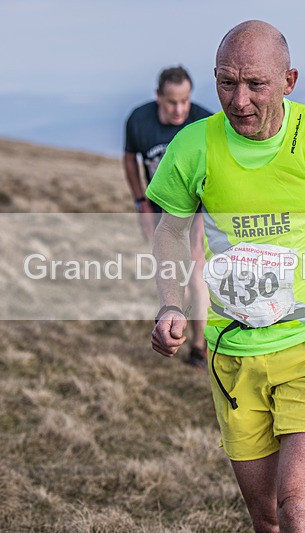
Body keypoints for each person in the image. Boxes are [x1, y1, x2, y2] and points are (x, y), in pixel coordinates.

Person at [147, 20, 305, 532]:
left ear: (289, 80)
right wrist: (171, 304)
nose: (238, 100)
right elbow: (170, 232)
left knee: (297, 502)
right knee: (269, 519)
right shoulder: (193, 146)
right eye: (226, 82)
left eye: (255, 84)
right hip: (235, 351)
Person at [123, 66, 211, 368]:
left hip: (198, 208)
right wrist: (140, 202)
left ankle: (199, 345)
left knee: (196, 271)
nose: (179, 109)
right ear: (158, 97)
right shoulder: (138, 120)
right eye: (172, 102)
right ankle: (174, 329)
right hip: (160, 208)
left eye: (185, 101)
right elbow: (130, 158)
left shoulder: (204, 122)